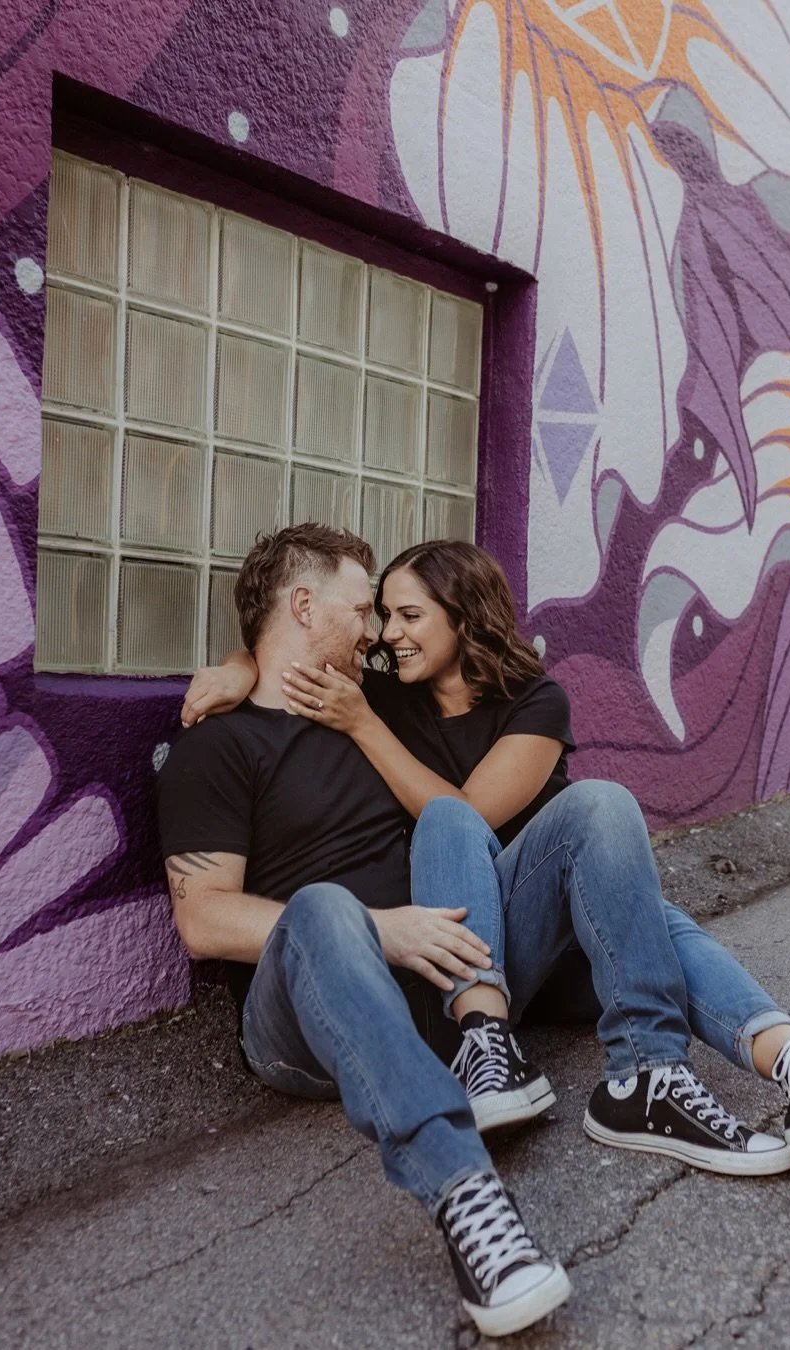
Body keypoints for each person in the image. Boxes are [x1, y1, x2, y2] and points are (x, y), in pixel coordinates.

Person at [188, 537, 790, 1178]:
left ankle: (783, 1062)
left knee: (571, 818)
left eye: (407, 617)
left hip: (555, 922)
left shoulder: (525, 703)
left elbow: (468, 810)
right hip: (466, 945)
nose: (384, 634)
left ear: (462, 617)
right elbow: (289, 643)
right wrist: (238, 666)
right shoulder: (383, 686)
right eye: (378, 615)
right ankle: (498, 1048)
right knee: (463, 827)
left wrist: (362, 724)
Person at [156, 524, 572, 1339]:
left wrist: (255, 664)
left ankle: (565, 1054)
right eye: (361, 609)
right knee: (322, 907)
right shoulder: (216, 748)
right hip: (304, 1021)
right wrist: (378, 930)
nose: (379, 633)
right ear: (305, 606)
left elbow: (455, 779)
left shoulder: (372, 707)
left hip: (434, 987)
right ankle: (469, 1200)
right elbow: (202, 917)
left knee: (568, 820)